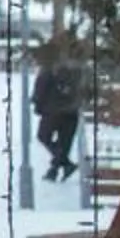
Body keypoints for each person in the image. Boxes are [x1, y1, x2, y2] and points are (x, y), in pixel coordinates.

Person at [32, 45, 85, 185]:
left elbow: (41, 87)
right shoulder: (80, 69)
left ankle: (63, 165)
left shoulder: (51, 67)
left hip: (53, 110)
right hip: (72, 110)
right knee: (64, 142)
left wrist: (38, 105)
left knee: (43, 136)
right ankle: (56, 169)